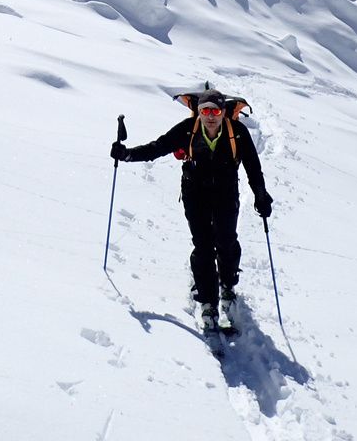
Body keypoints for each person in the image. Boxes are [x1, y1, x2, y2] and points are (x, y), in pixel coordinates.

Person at [110, 90, 273, 326]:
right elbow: (158, 147)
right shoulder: (188, 129)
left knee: (227, 241)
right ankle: (207, 301)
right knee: (203, 246)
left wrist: (261, 194)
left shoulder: (237, 132)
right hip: (195, 194)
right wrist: (127, 155)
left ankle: (228, 284)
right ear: (199, 112)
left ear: (223, 112)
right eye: (205, 110)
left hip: (226, 193)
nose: (210, 116)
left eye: (215, 111)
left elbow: (253, 167)